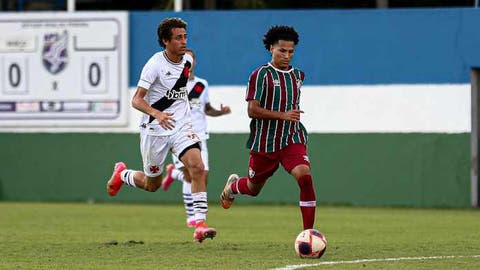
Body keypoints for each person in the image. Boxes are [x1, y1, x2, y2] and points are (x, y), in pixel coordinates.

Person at [106, 17, 216, 243]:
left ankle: (200, 224)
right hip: (154, 130)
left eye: (185, 36)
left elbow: (179, 91)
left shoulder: (187, 60)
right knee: (151, 184)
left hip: (181, 126)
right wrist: (157, 113)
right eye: (178, 38)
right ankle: (122, 174)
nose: (184, 41)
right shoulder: (154, 65)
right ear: (165, 41)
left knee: (198, 167)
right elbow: (136, 100)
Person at [220, 25, 316, 230]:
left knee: (305, 177)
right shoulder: (260, 75)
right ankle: (232, 187)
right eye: (282, 50)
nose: (287, 55)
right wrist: (283, 115)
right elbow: (252, 110)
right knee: (253, 188)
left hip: (292, 138)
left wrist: (289, 118)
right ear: (271, 48)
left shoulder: (298, 76)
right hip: (264, 143)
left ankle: (309, 234)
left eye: (291, 52)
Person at [161, 48, 231, 228]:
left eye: (191, 59)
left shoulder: (202, 85)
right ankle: (191, 217)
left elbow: (206, 109)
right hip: (180, 136)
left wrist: (220, 112)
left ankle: (172, 173)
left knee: (202, 177)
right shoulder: (172, 83)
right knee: (190, 176)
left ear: (195, 62)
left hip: (200, 136)